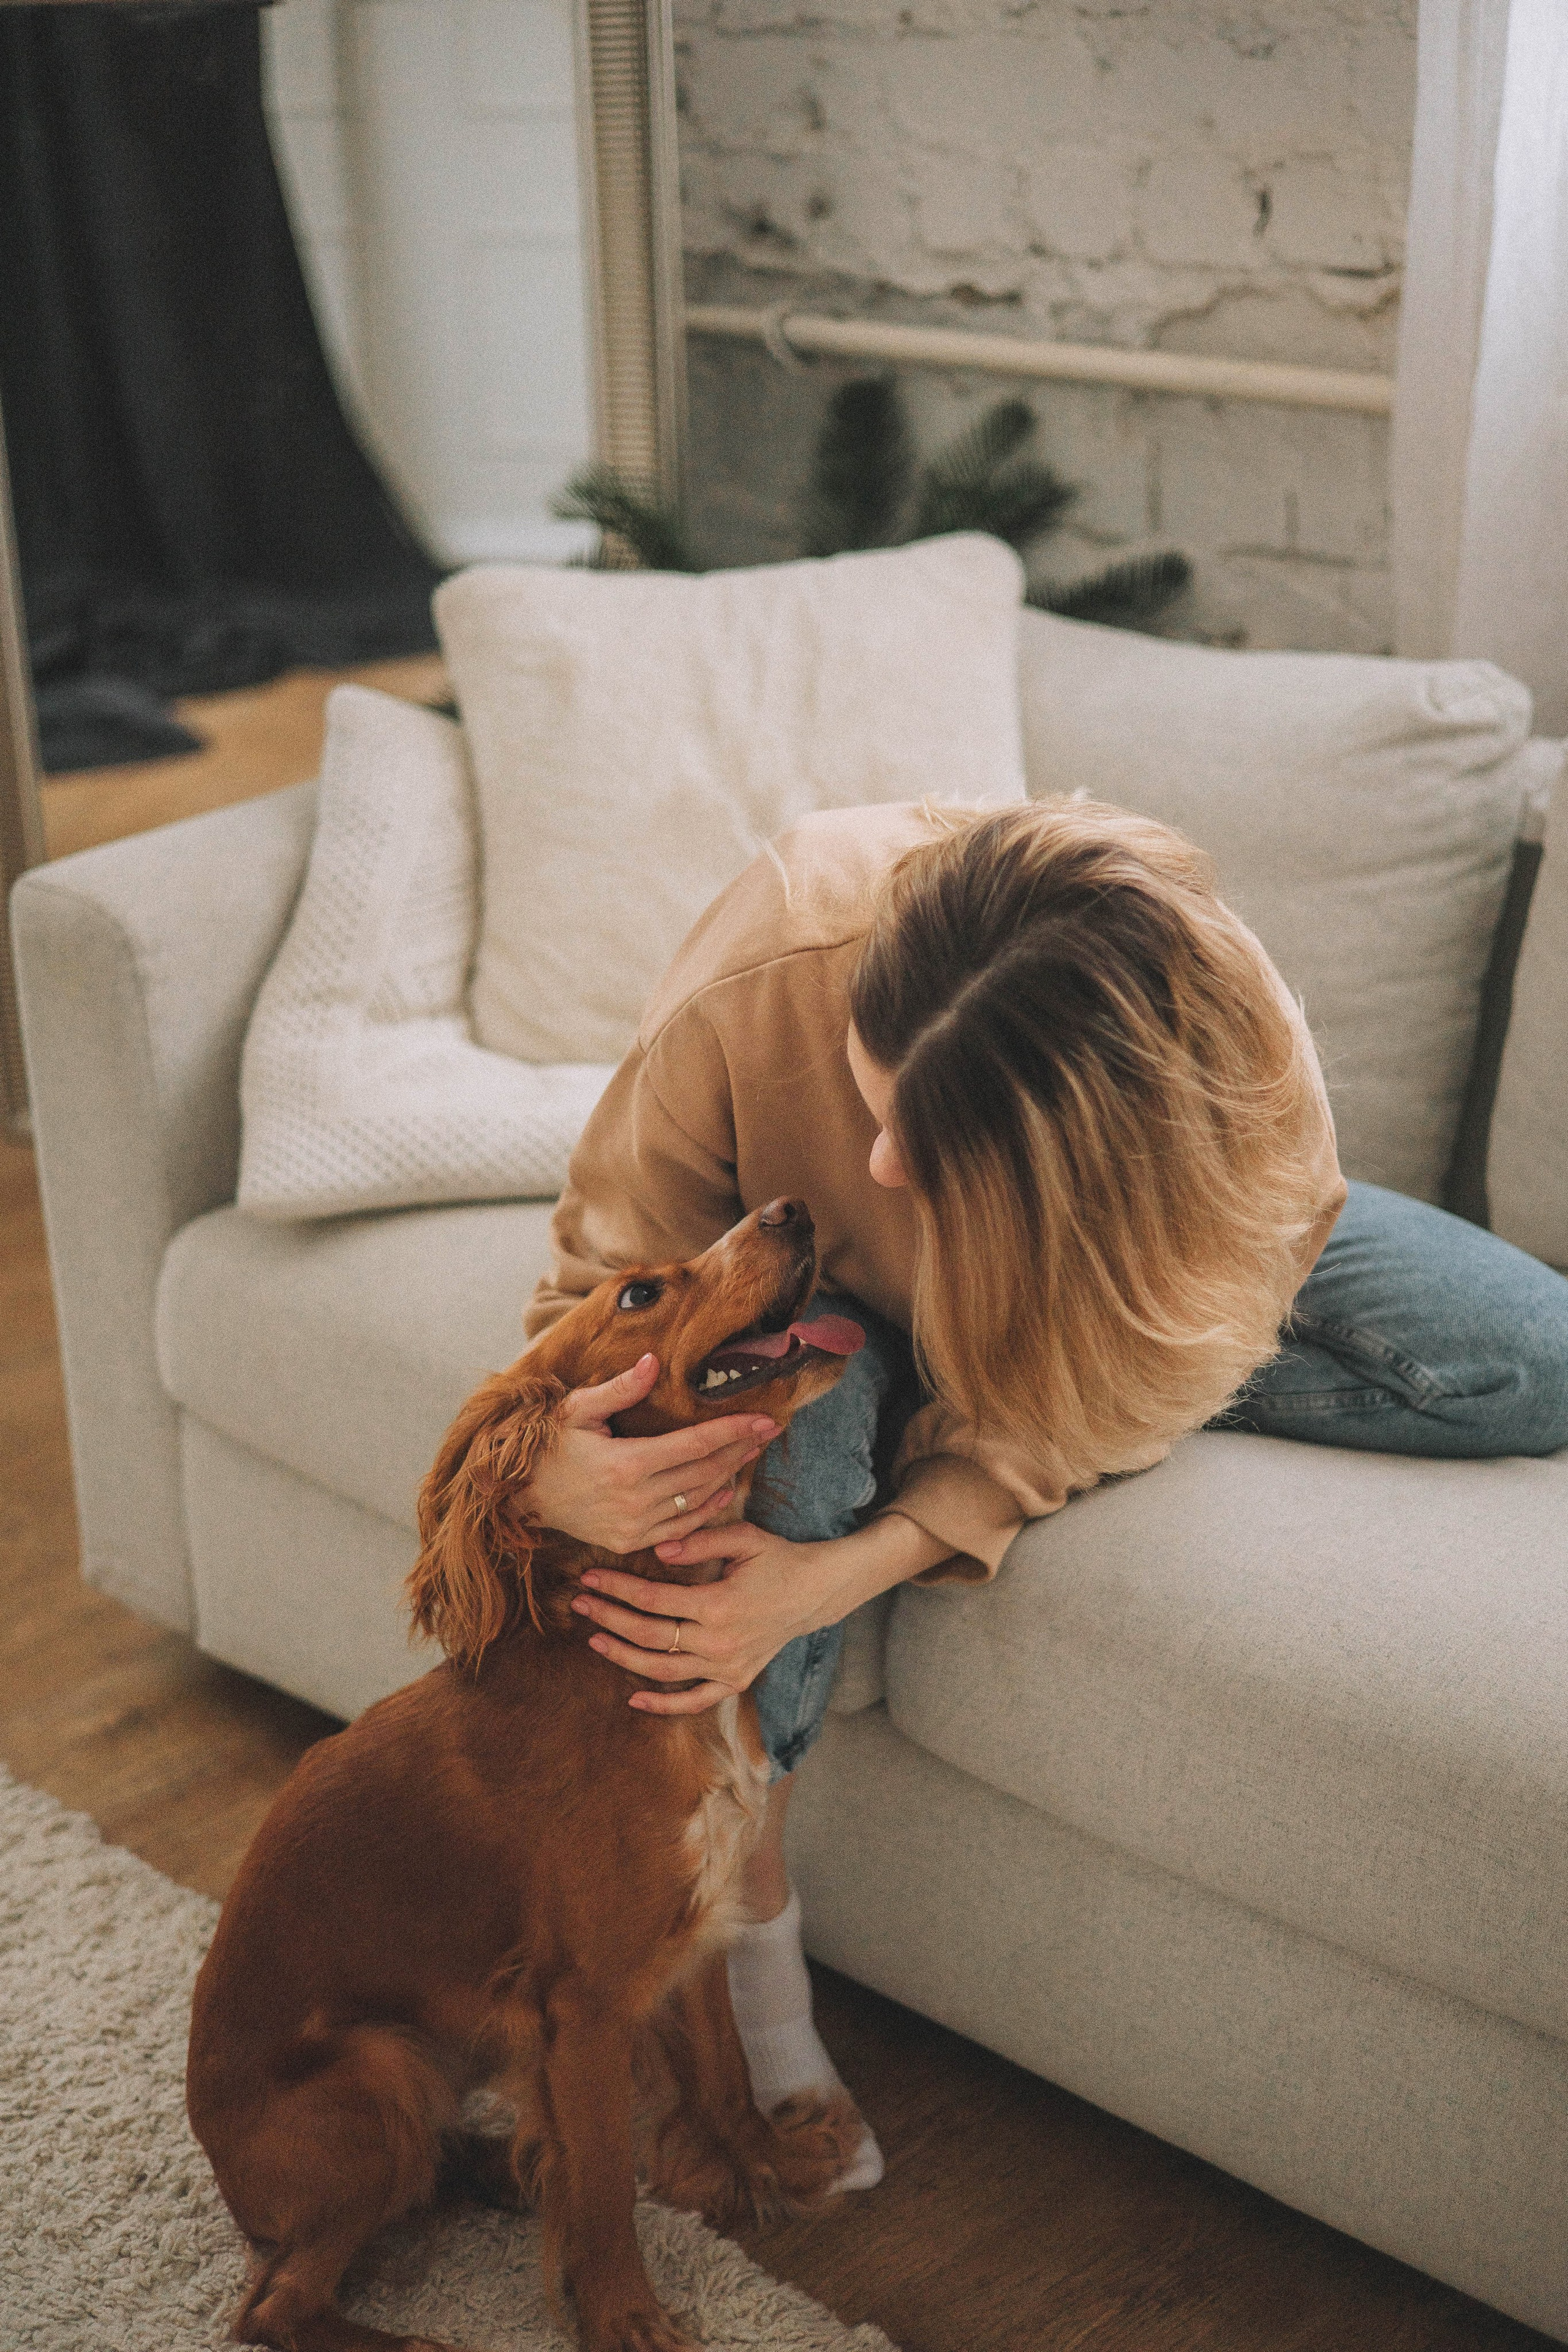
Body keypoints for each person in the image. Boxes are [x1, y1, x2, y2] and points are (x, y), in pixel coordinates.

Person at [518, 798, 1568, 2187]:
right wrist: (564, 1460)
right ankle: (749, 1945)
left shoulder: (1237, 1104)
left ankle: (945, 1409)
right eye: (869, 1102)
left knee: (1534, 1361)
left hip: (1078, 1286)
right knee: (791, 1451)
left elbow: (1107, 1378)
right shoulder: (770, 961)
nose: (878, 1168)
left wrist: (855, 1561)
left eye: (923, 1149)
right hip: (808, 1312)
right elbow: (602, 1289)